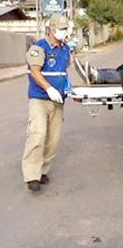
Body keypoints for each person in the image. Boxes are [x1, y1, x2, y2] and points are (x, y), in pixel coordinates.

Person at [22, 14, 71, 192]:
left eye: (65, 29)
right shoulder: (38, 48)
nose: (63, 32)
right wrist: (49, 88)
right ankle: (32, 175)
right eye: (60, 29)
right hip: (40, 98)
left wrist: (66, 87)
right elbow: (35, 72)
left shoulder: (65, 49)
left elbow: (64, 70)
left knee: (53, 139)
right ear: (51, 28)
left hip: (58, 101)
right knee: (38, 134)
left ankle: (43, 171)